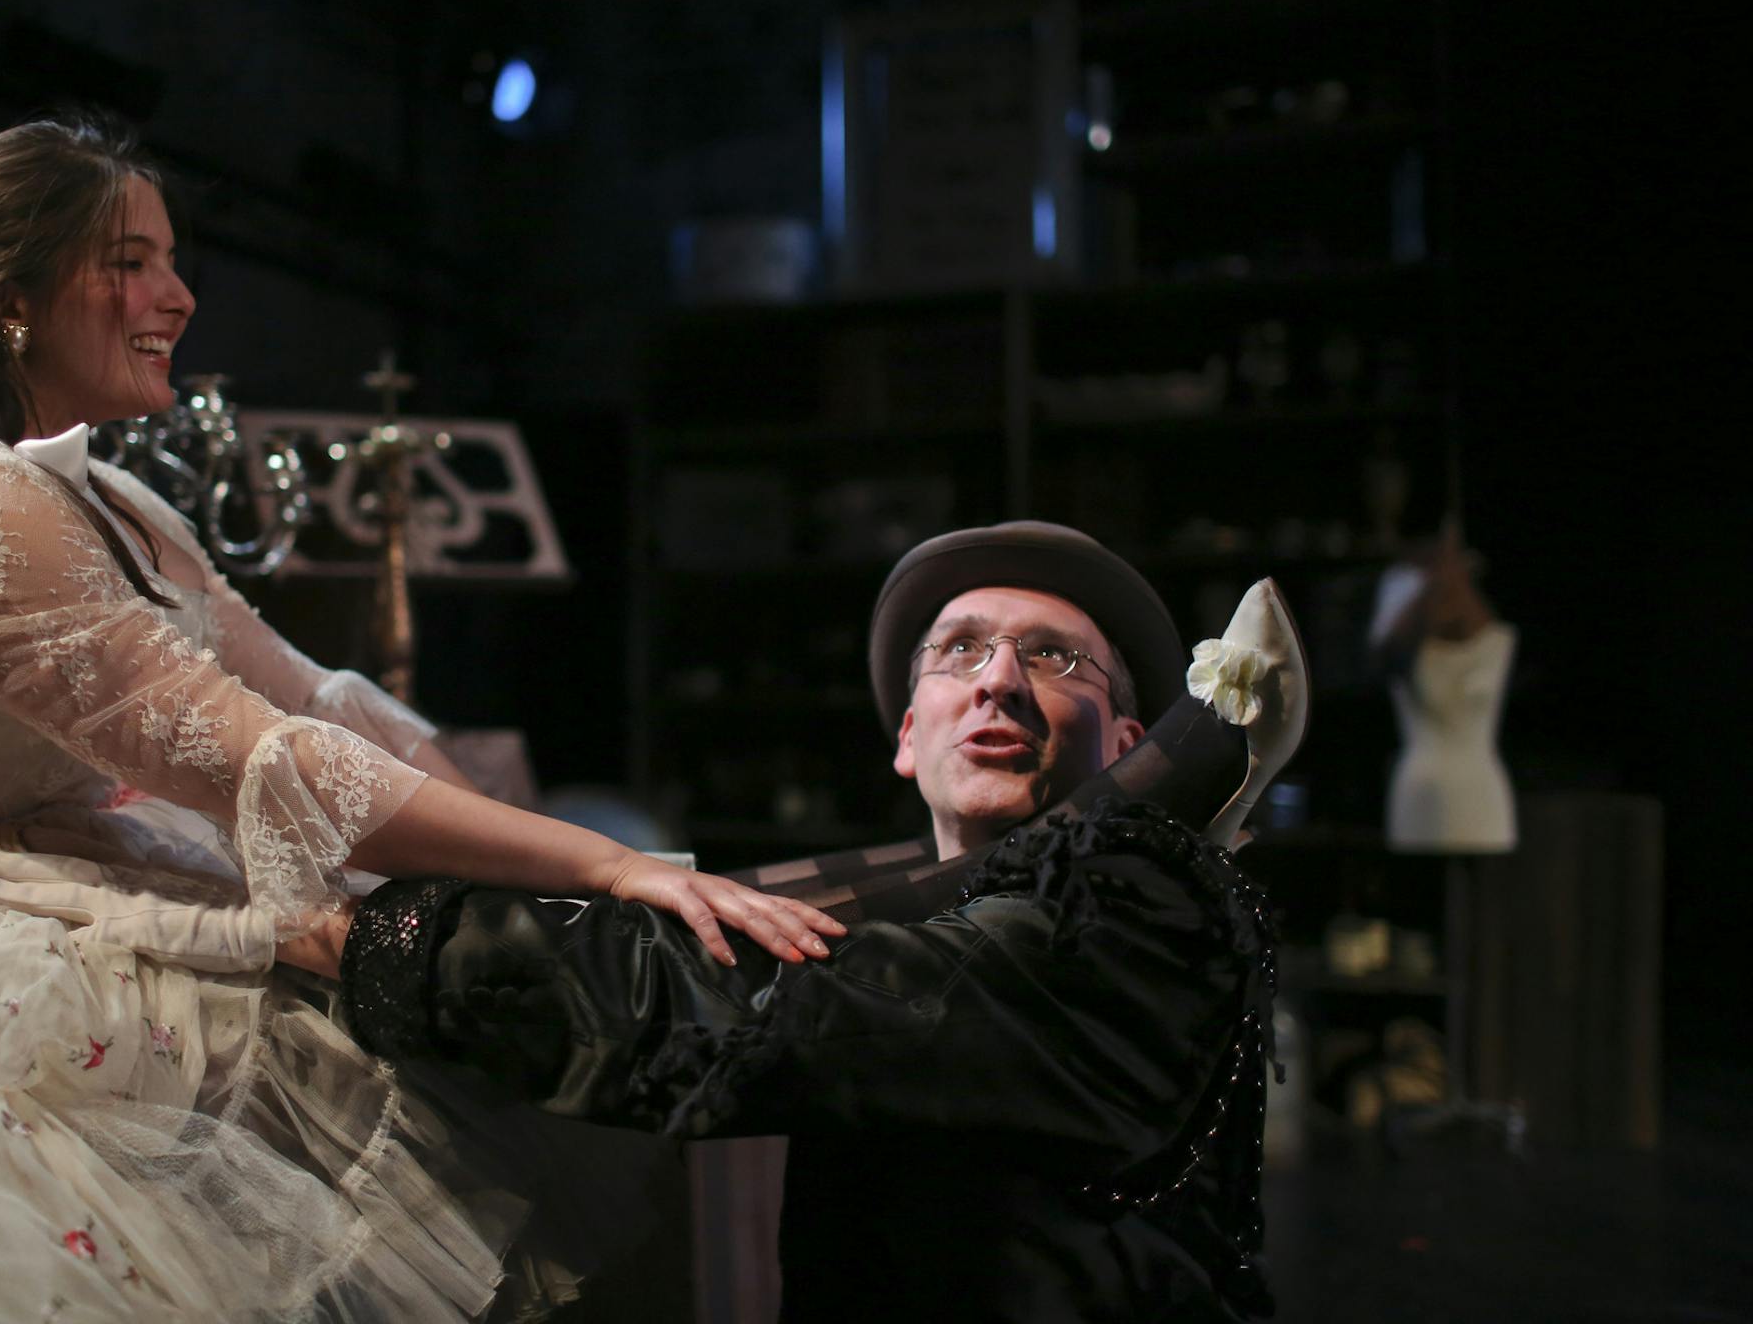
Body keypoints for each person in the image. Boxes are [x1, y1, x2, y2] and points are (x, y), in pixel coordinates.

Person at [0, 114, 839, 1323]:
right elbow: (263, 758)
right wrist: (607, 864)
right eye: (129, 263)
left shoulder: (115, 498)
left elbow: (312, 696)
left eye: (173, 260)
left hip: (66, 884)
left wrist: (559, 862)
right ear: (12, 303)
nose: (179, 297)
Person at [311, 524, 1309, 1321]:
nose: (999, 679)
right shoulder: (913, 893)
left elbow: (741, 1006)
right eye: (960, 650)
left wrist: (372, 938)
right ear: (908, 738)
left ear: (1128, 741)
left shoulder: (1134, 911)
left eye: (1054, 657)